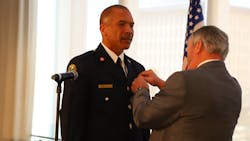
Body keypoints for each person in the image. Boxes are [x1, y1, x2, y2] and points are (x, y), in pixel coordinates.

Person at [131, 25, 242, 141]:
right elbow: (197, 101)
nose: (187, 55)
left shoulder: (183, 80)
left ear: (198, 46)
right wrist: (162, 84)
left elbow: (144, 117)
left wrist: (141, 90)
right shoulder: (234, 86)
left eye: (188, 48)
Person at [60, 4, 150, 141]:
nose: (129, 31)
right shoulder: (84, 66)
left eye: (131, 25)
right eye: (121, 24)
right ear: (103, 29)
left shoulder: (137, 69)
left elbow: (142, 123)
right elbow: (72, 123)